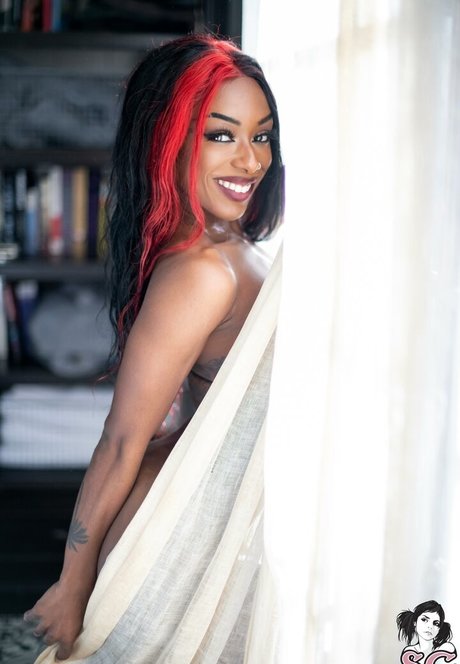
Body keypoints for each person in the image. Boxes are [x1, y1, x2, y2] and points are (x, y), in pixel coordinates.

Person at [23, 33, 284, 660]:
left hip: (194, 519)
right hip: (182, 520)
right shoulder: (220, 262)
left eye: (262, 135)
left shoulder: (218, 261)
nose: (250, 161)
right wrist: (75, 583)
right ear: (168, 140)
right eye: (221, 135)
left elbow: (140, 434)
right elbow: (128, 439)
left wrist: (74, 583)